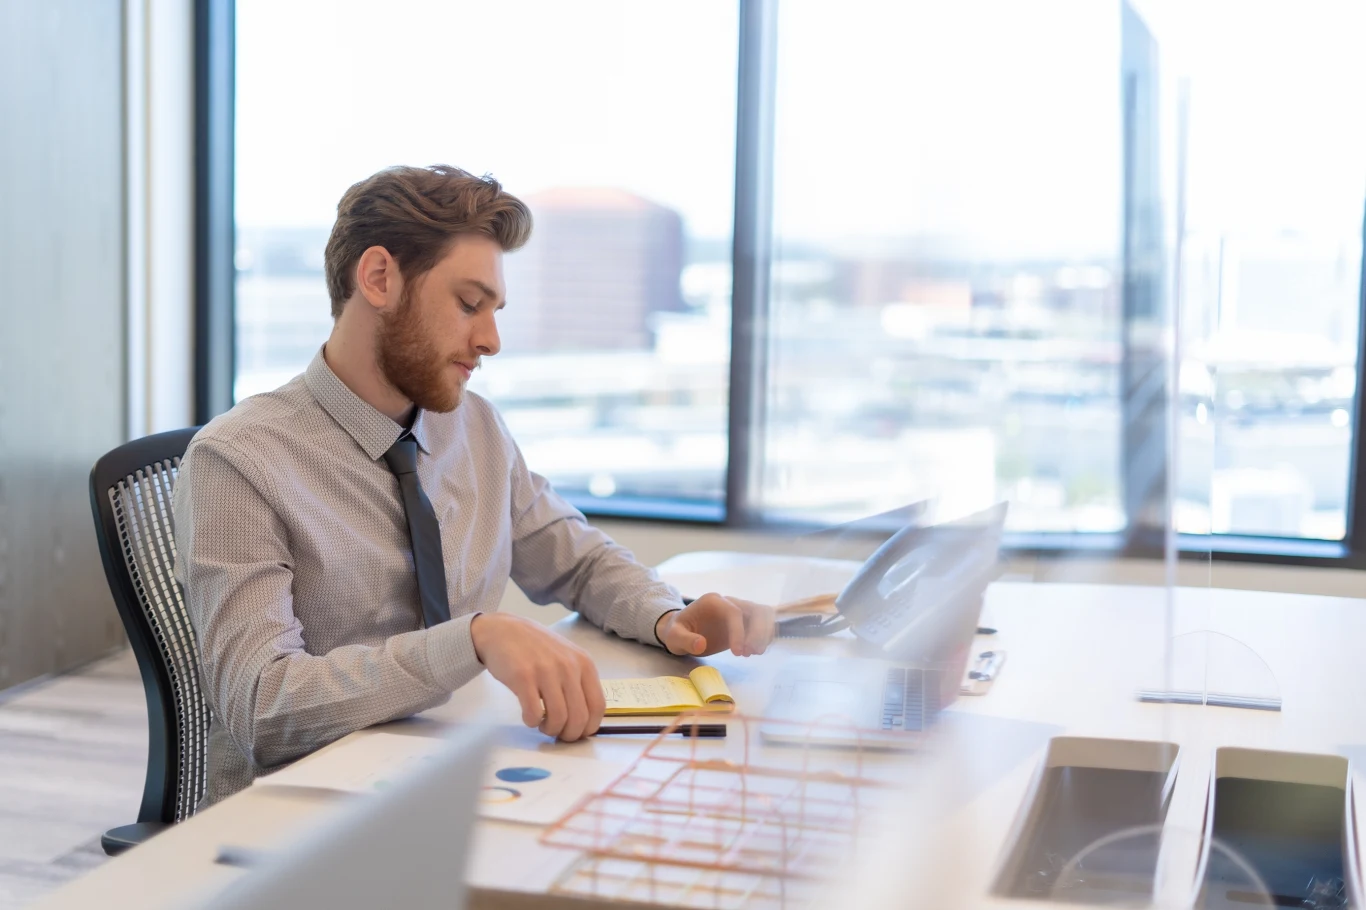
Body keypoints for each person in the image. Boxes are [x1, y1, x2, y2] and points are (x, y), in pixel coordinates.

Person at [173, 164, 774, 805]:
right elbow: (261, 707)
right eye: (468, 304)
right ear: (378, 278)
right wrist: (472, 639)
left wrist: (669, 617)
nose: (490, 340)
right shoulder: (238, 461)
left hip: (462, 772)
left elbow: (578, 561)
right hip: (302, 817)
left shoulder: (475, 427)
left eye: (494, 310)